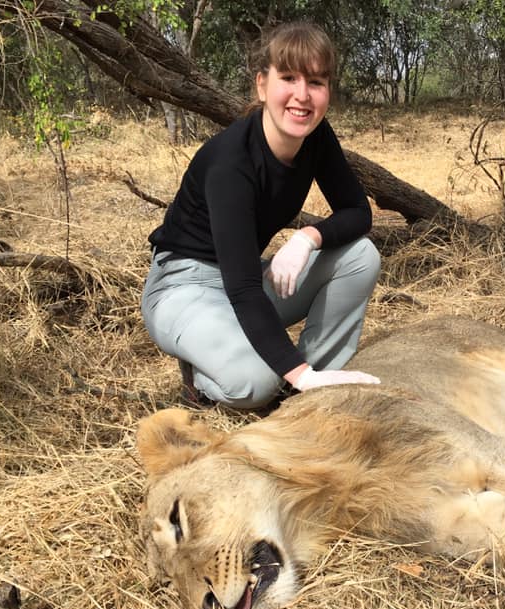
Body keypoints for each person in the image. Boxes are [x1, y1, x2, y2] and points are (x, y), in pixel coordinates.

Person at [141, 22, 381, 409]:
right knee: (254, 381)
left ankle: (303, 386)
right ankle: (206, 381)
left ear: (327, 92)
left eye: (316, 82)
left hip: (245, 276)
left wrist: (307, 238)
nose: (302, 96)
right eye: (289, 78)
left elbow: (358, 212)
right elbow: (243, 290)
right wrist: (292, 368)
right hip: (183, 288)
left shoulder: (315, 137)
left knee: (360, 256)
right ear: (262, 85)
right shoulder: (231, 162)